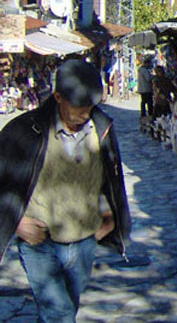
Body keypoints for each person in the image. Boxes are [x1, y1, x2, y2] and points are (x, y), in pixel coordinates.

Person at [0, 59, 131, 323]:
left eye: (90, 106)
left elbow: (107, 176)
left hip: (83, 241)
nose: (85, 113)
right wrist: (18, 223)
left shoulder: (101, 128)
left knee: (64, 310)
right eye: (79, 106)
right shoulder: (25, 131)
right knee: (58, 314)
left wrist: (108, 214)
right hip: (40, 245)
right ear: (58, 97)